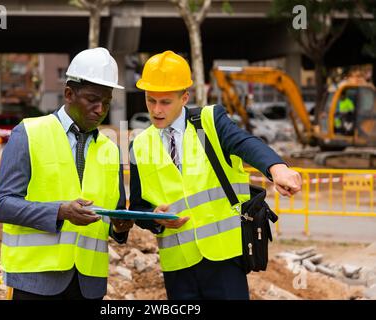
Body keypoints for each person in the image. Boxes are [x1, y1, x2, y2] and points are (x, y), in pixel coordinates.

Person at [129, 50, 302, 300]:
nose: (156, 110)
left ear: (184, 97)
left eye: (165, 102)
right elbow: (138, 207)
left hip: (224, 259)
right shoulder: (140, 145)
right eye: (150, 100)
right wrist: (155, 219)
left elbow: (245, 143)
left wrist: (277, 168)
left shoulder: (208, 122)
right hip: (178, 266)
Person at [0, 47, 134, 300]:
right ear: (69, 94)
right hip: (36, 280)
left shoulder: (111, 150)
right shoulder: (28, 133)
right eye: (92, 100)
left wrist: (120, 228)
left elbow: (113, 214)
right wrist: (60, 211)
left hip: (88, 284)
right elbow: (2, 205)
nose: (100, 109)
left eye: (107, 102)